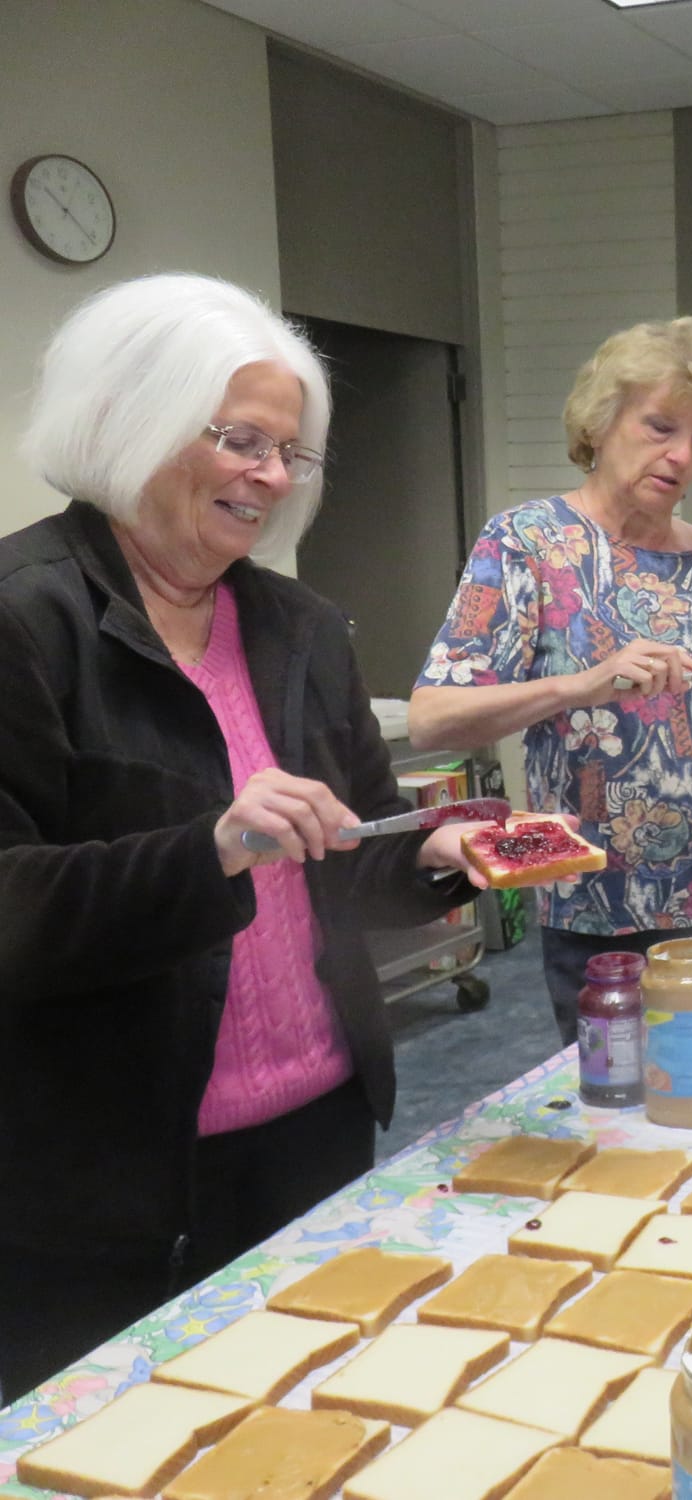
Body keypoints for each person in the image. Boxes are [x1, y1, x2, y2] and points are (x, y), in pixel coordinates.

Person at [0, 274, 489, 1400]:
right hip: (114, 1175)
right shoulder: (23, 620)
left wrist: (437, 856)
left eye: (290, 450)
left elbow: (357, 850)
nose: (271, 475)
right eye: (242, 441)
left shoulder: (300, 624)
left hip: (317, 1126)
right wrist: (209, 847)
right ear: (134, 426)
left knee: (318, 1414)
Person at [408, 318, 692, 1044]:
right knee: (626, 1117)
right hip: (600, 910)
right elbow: (433, 717)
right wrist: (583, 686)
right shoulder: (526, 544)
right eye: (660, 426)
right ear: (601, 419)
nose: (681, 455)